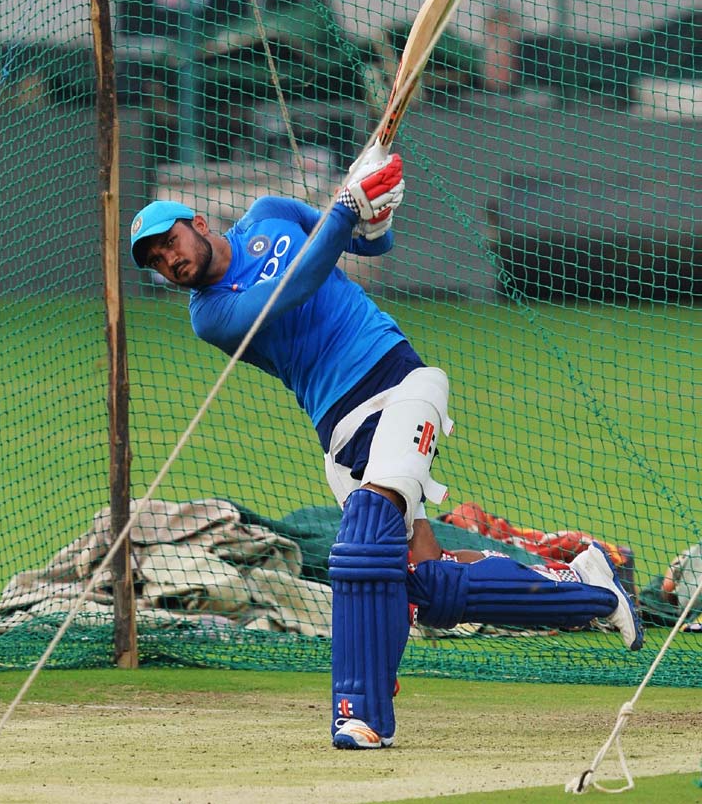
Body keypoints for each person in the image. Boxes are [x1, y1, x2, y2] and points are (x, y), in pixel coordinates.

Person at [128, 152, 644, 750]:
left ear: (196, 221)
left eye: (169, 242)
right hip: (340, 435)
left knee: (361, 543)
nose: (169, 261)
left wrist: (371, 216)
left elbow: (372, 246)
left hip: (397, 384)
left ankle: (359, 712)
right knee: (425, 583)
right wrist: (346, 211)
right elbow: (293, 287)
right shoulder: (209, 315)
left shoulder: (271, 213)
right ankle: (587, 588)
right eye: (157, 261)